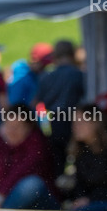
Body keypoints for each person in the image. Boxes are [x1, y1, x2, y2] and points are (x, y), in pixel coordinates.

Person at [33, 40, 85, 173]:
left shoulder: (46, 76)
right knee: (80, 160)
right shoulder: (79, 75)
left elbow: (35, 102)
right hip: (77, 122)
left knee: (58, 163)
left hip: (55, 122)